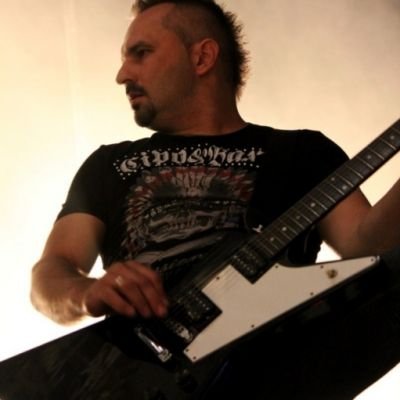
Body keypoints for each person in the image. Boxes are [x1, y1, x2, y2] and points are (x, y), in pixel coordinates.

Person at [30, 0, 400, 397]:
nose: (123, 74)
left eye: (141, 53)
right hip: (140, 382)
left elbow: (370, 247)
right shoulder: (110, 165)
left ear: (202, 57)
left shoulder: (301, 153)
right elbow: (50, 275)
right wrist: (85, 293)